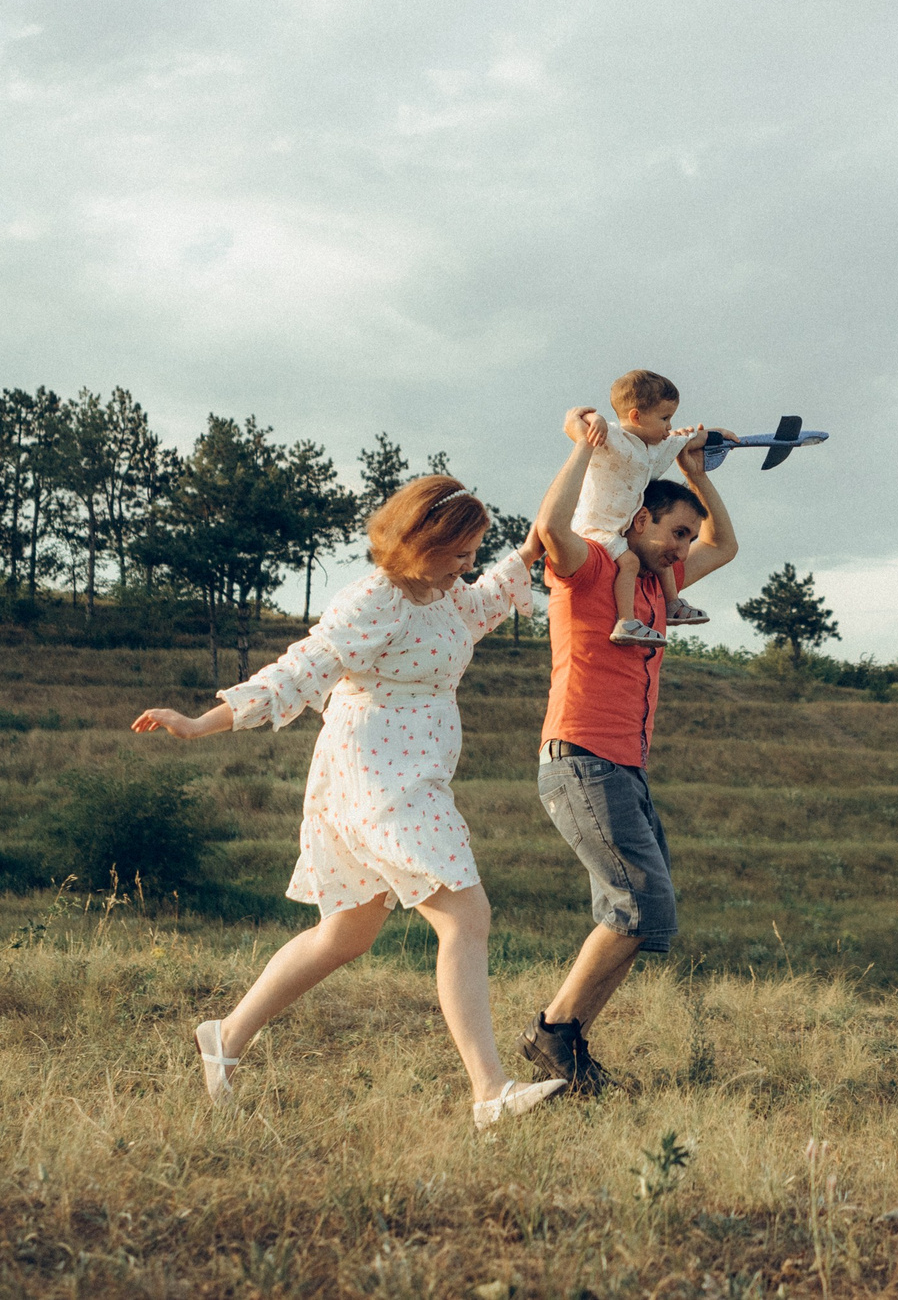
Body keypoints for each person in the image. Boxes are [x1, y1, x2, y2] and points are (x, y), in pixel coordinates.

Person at [130, 475, 565, 1128]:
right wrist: (200, 721)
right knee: (465, 914)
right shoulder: (371, 603)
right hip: (375, 776)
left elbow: (520, 560)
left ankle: (224, 1034)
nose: (469, 563)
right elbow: (299, 671)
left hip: (414, 772)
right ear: (419, 542)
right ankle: (490, 1091)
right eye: (458, 551)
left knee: (345, 934)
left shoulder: (451, 599)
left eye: (474, 550)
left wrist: (585, 449)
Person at [519, 408, 740, 1093]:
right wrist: (588, 450)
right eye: (674, 532)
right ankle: (555, 1035)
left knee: (648, 916)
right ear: (637, 520)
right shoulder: (592, 567)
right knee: (641, 904)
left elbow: (725, 545)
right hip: (582, 755)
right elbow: (549, 529)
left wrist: (695, 472)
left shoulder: (652, 585)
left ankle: (565, 1042)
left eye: (685, 536)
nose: (684, 547)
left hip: (624, 764)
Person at [567, 369, 730, 647]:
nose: (669, 426)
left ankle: (672, 604)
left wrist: (718, 435)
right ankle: (626, 621)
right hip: (597, 527)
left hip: (624, 527)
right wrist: (593, 419)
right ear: (635, 416)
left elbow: (687, 441)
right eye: (664, 418)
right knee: (629, 561)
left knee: (659, 555)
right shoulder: (612, 437)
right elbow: (581, 422)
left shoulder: (654, 448)